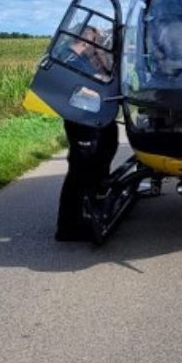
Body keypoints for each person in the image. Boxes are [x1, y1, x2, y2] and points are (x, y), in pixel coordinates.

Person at [55, 25, 119, 241]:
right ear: (86, 39)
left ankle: (90, 213)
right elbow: (78, 86)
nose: (97, 45)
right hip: (82, 122)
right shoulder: (69, 59)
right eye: (95, 41)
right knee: (80, 171)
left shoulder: (82, 58)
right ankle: (67, 227)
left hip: (96, 120)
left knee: (97, 164)